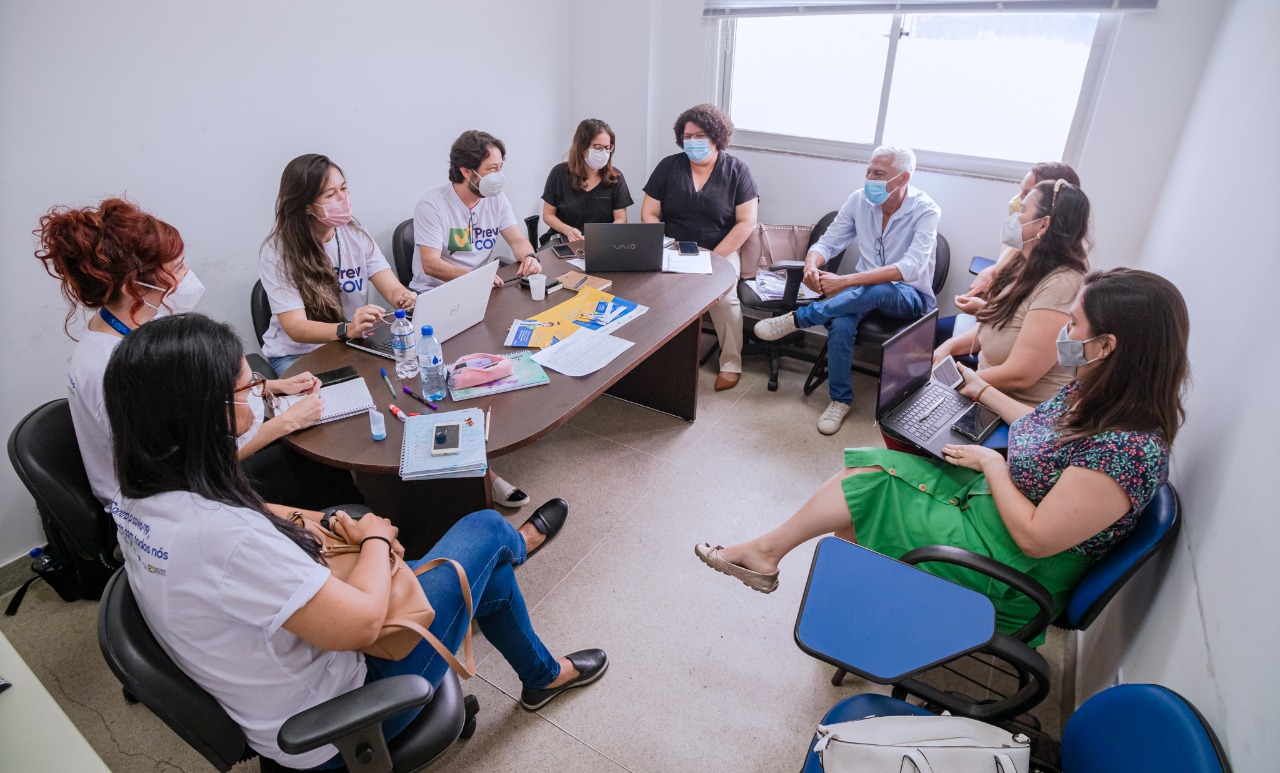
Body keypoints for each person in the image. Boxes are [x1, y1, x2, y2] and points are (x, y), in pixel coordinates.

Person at [104, 313, 607, 770]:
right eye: (249, 385)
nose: (259, 392)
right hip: (340, 719)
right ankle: (516, 550)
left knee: (480, 572)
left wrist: (333, 520)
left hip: (274, 688)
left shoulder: (142, 494)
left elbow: (259, 510)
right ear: (205, 415)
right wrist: (375, 542)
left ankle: (541, 673)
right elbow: (363, 623)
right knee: (487, 528)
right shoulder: (225, 539)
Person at [698, 269, 1188, 646]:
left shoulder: (1127, 450)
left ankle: (796, 574)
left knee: (864, 496)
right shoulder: (1098, 392)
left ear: (1106, 345)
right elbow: (1040, 430)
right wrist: (981, 389)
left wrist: (993, 464)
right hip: (995, 514)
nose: (1065, 330)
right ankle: (802, 577)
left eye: (1074, 324)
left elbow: (1038, 539)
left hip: (1016, 573)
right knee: (870, 468)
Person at [35, 198, 335, 507]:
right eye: (177, 268)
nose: (187, 275)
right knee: (315, 465)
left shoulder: (138, 324)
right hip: (162, 500)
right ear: (132, 287)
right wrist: (286, 423)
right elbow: (185, 469)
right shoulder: (114, 372)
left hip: (193, 463)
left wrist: (268, 386)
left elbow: (190, 393)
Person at [753, 146, 940, 434]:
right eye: (868, 171)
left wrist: (846, 282)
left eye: (878, 174)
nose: (870, 179)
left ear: (903, 178)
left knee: (878, 287)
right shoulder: (859, 200)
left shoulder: (926, 210)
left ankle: (799, 319)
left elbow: (911, 267)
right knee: (841, 324)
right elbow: (828, 242)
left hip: (907, 296)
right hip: (860, 293)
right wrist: (811, 265)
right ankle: (840, 400)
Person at [933, 179, 1090, 407]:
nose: (1015, 217)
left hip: (1016, 410)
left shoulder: (1062, 285)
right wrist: (949, 346)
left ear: (1043, 224)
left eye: (1023, 210)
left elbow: (1020, 375)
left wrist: (953, 383)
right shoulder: (1026, 263)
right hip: (986, 390)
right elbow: (1000, 324)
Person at [259, 154, 417, 376]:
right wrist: (347, 329)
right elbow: (296, 327)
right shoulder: (277, 252)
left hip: (349, 343)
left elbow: (393, 289)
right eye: (330, 194)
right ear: (306, 205)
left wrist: (405, 297)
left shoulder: (356, 235)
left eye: (344, 188)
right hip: (297, 356)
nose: (343, 198)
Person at [641, 103, 758, 391]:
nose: (692, 141)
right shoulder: (669, 167)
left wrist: (714, 259)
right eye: (687, 136)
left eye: (700, 135)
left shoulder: (737, 170)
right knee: (653, 292)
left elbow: (746, 223)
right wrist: (665, 246)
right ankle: (658, 355)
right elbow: (649, 213)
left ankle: (731, 363)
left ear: (717, 136)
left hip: (720, 250)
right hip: (673, 248)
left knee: (725, 300)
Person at [412, 130, 542, 292]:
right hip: (436, 291)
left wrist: (529, 257)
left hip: (479, 288)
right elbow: (431, 264)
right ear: (466, 171)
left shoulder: (497, 198)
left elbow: (517, 240)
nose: (499, 175)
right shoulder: (431, 205)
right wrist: (475, 278)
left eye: (500, 167)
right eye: (492, 168)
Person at [968, 162, 1081, 298]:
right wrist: (991, 271)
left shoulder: (1057, 272)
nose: (1018, 199)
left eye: (1027, 193)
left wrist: (981, 307)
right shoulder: (1022, 234)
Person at [540, 118, 632, 244]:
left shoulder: (615, 178)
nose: (604, 153)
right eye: (598, 147)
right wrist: (568, 230)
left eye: (607, 148)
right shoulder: (559, 174)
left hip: (603, 242)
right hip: (565, 239)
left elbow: (621, 218)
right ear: (582, 147)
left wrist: (603, 235)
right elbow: (548, 215)